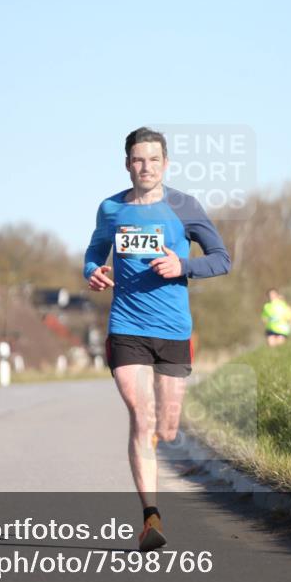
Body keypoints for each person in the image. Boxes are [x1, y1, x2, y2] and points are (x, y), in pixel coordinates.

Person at [84, 127, 231, 551]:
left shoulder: (185, 207)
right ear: (127, 164)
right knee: (142, 416)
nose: (145, 167)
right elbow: (94, 252)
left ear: (165, 164)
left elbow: (222, 259)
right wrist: (92, 271)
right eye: (137, 159)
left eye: (153, 159)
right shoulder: (111, 209)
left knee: (166, 428)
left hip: (173, 331)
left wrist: (183, 266)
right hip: (126, 327)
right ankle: (151, 517)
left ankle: (157, 450)